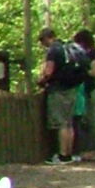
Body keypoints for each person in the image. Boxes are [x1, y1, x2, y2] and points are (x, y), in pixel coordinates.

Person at [36, 27, 91, 164]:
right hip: (72, 88)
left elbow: (49, 71)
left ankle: (62, 155)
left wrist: (41, 81)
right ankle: (69, 153)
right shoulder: (66, 47)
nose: (44, 45)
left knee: (60, 123)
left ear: (47, 38)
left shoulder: (53, 50)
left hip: (59, 89)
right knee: (69, 123)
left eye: (43, 42)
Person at [73, 29, 95, 160]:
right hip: (85, 90)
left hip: (91, 90)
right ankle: (91, 149)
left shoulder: (92, 54)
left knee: (93, 121)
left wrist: (83, 69)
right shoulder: (86, 53)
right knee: (86, 120)